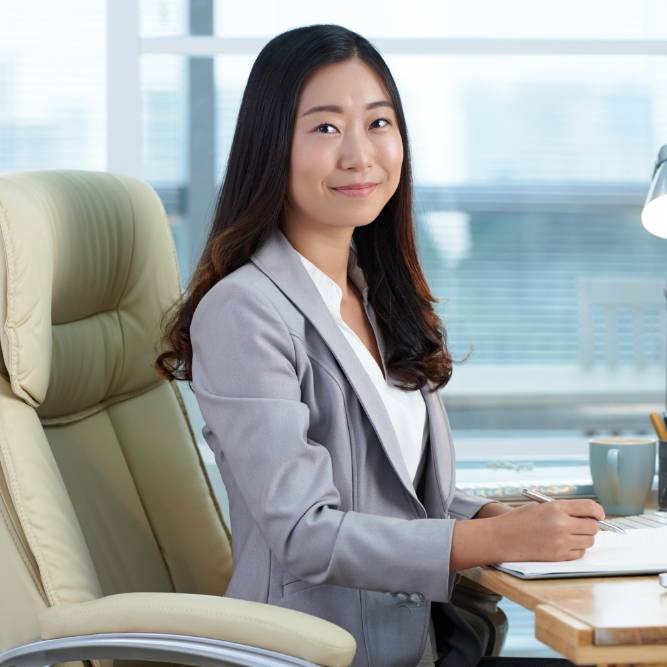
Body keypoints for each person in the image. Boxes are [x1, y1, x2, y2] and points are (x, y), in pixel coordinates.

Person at [155, 24, 604, 667]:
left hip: (410, 644)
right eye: (325, 128)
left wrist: (491, 517)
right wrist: (490, 541)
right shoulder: (243, 310)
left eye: (379, 124)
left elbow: (394, 492)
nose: (360, 157)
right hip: (310, 651)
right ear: (270, 147)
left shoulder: (371, 295)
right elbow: (305, 533)